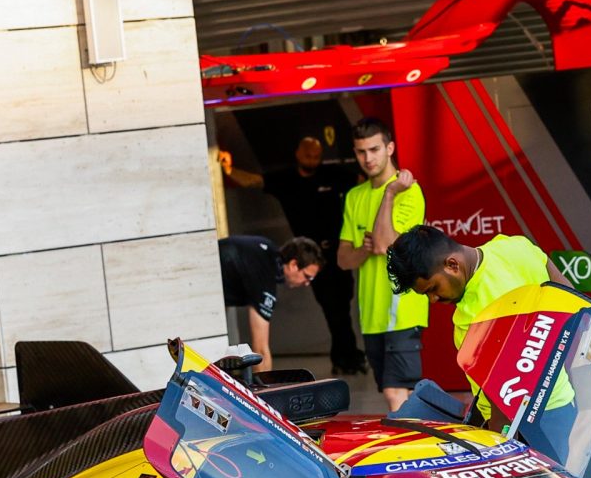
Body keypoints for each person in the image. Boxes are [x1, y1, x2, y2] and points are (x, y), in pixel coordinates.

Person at [386, 224, 561, 414]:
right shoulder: (515, 246)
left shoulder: (471, 320)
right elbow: (572, 299)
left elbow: (502, 406)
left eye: (433, 288)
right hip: (563, 396)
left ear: (452, 265)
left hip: (526, 421)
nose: (433, 299)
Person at [224, 135, 361, 377]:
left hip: (333, 254)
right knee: (332, 308)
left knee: (341, 306)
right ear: (298, 153)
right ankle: (345, 357)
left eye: (317, 156)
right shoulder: (286, 180)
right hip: (308, 255)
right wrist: (226, 168)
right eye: (308, 155)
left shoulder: (333, 174)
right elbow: (253, 181)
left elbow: (363, 181)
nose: (313, 160)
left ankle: (347, 356)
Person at [336, 116, 427, 410]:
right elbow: (343, 259)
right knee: (400, 395)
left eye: (374, 150)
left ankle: (413, 452)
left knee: (394, 392)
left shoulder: (408, 190)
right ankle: (425, 441)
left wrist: (389, 192)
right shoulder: (354, 196)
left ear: (390, 148)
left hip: (402, 308)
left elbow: (388, 244)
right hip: (371, 314)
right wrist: (365, 249)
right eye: (361, 151)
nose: (368, 158)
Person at [216, 234, 323, 365]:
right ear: (294, 265)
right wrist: (267, 385)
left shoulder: (267, 249)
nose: (307, 283)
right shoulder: (265, 276)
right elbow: (261, 349)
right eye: (307, 277)